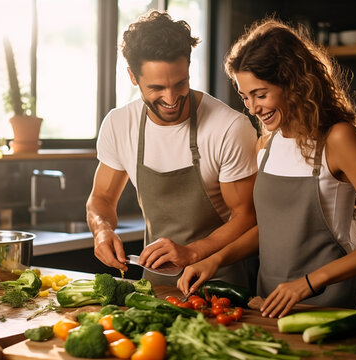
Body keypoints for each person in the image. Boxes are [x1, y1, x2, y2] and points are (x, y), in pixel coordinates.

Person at [177, 18, 356, 317]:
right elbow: (274, 229)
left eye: (261, 94)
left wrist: (308, 283)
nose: (253, 107)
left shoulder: (338, 138)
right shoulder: (267, 144)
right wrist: (216, 260)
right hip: (269, 307)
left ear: (294, 83)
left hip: (331, 310)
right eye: (245, 96)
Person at [86, 10, 259, 287]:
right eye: (156, 88)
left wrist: (191, 252)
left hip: (220, 287)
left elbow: (246, 217)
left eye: (180, 84)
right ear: (133, 76)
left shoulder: (229, 127)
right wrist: (102, 230)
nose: (171, 99)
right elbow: (102, 199)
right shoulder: (119, 125)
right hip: (154, 286)